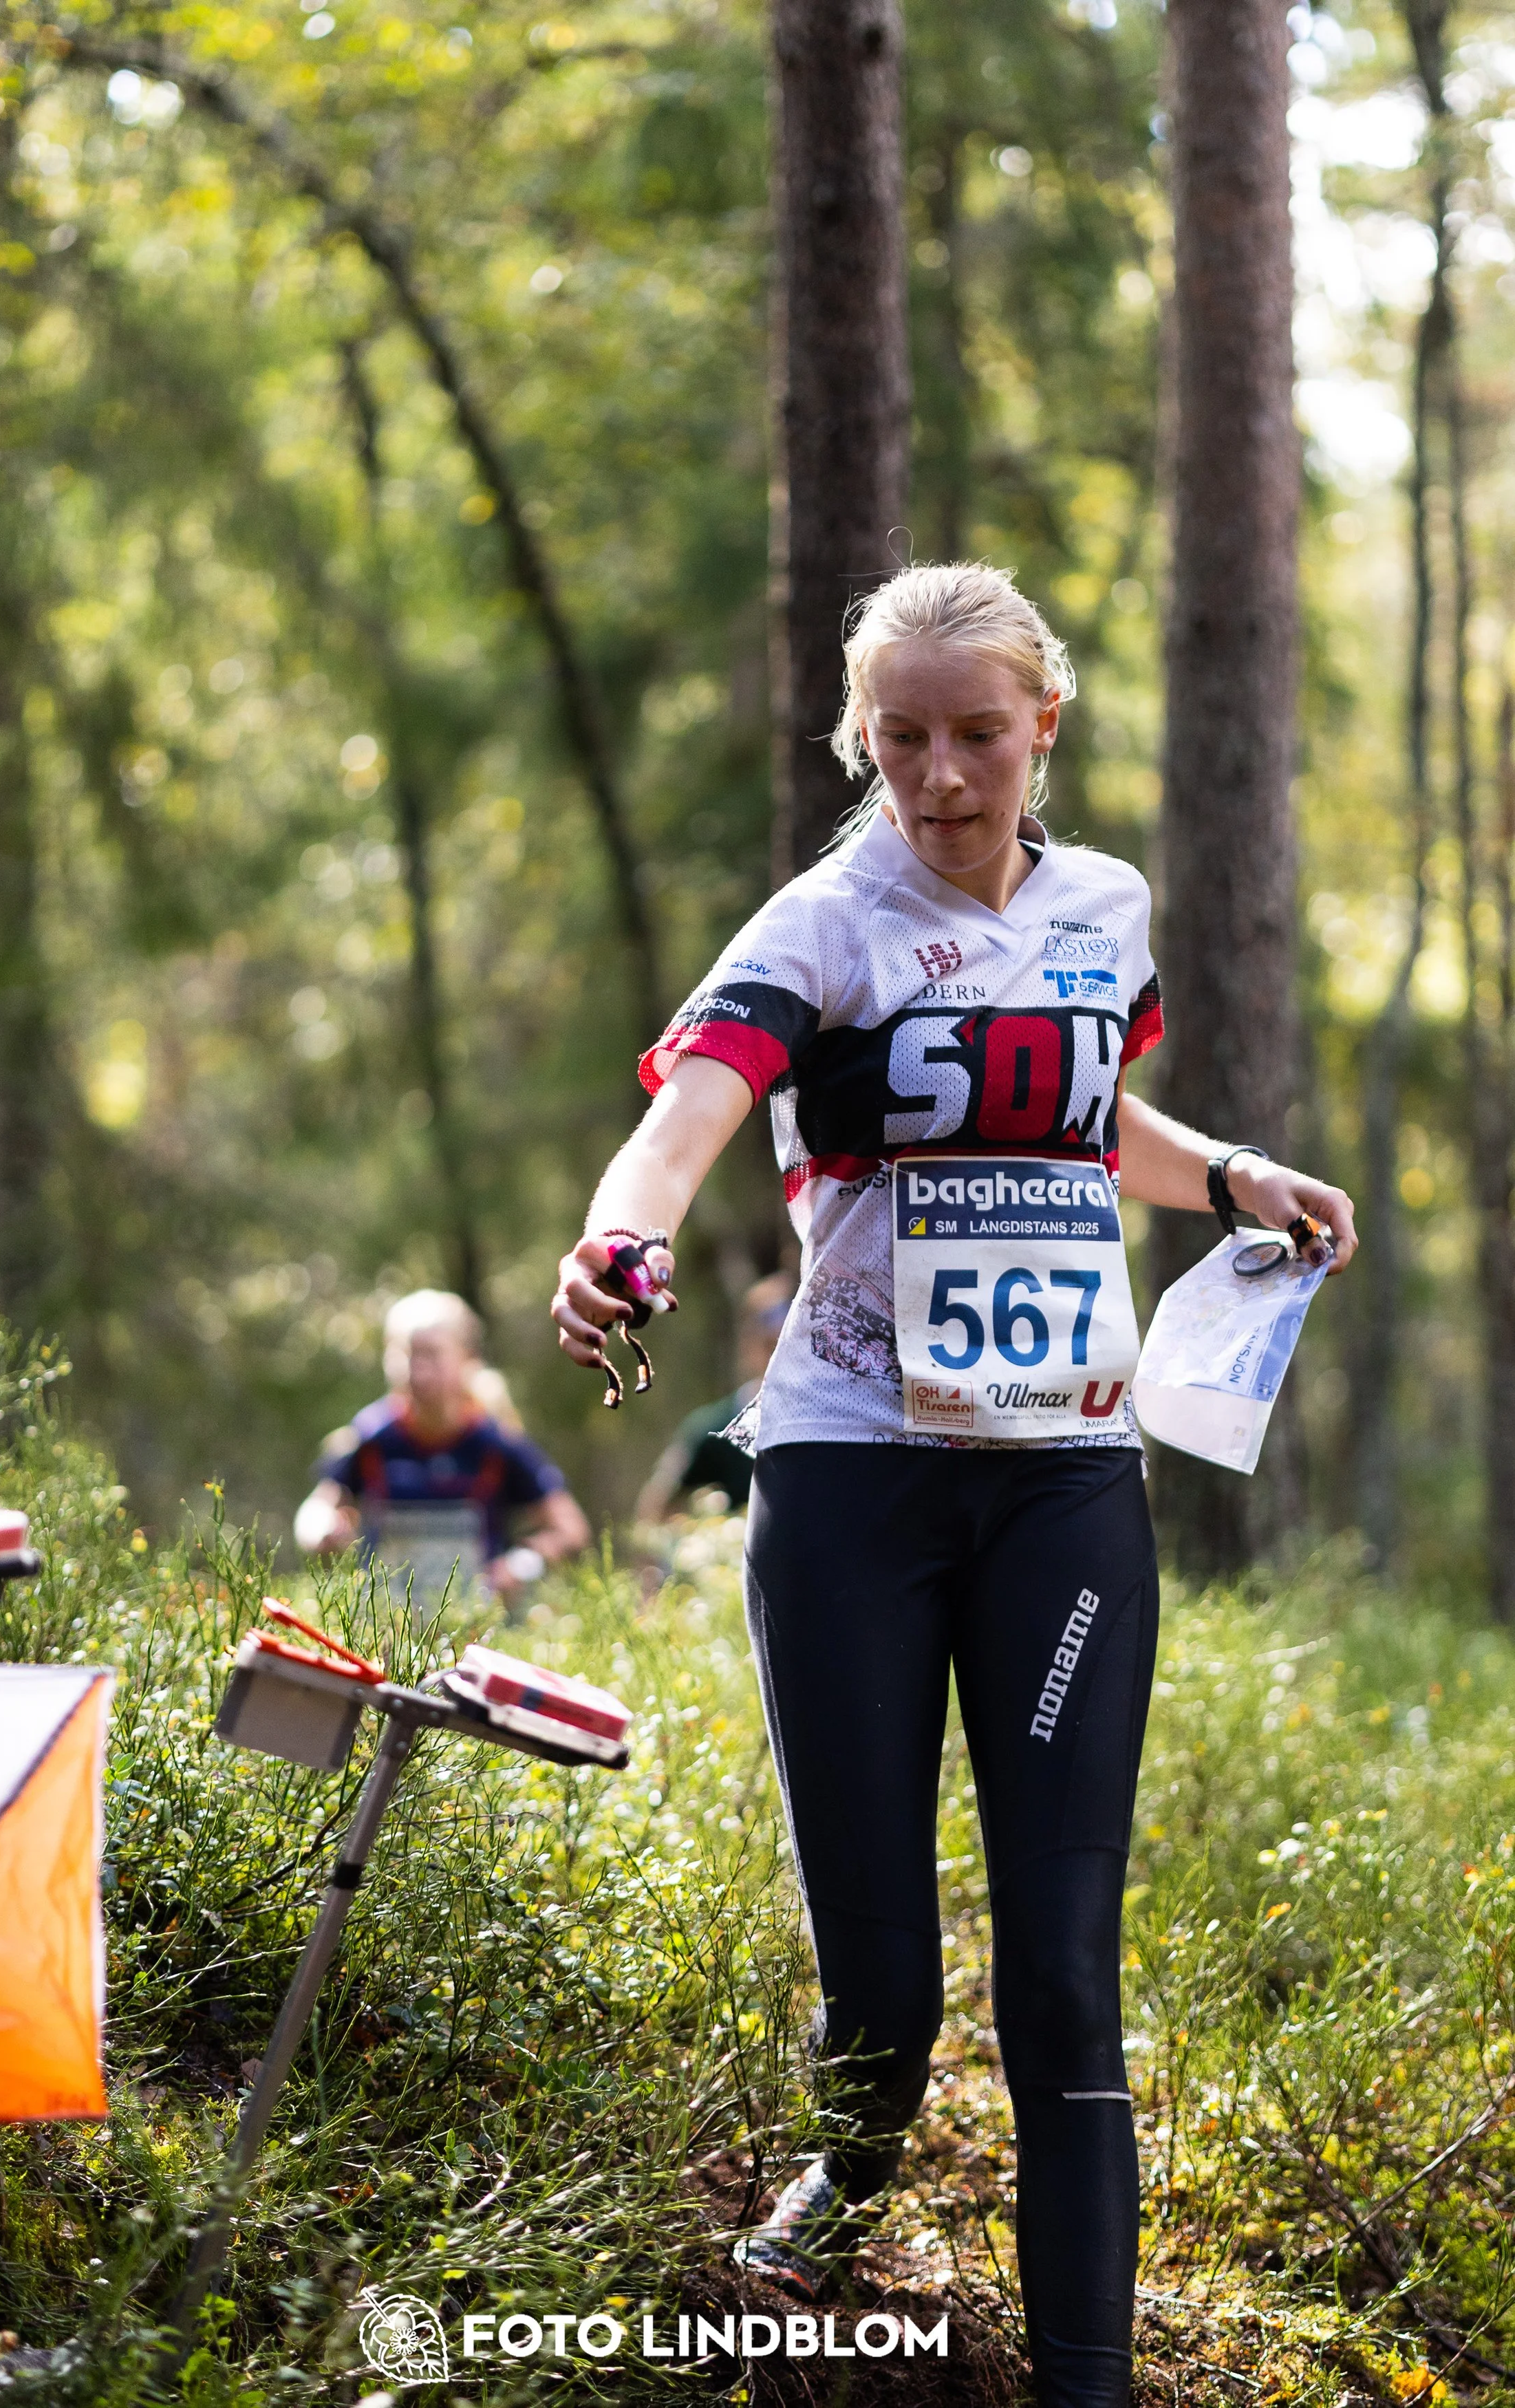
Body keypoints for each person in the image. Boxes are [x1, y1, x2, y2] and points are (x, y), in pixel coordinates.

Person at [550, 562, 1355, 2408]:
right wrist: (618, 1235)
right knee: (886, 1991)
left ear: (1040, 727)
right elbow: (689, 1109)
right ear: (860, 735)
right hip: (848, 1487)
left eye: (972, 734)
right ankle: (839, 2190)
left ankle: (1086, 2381)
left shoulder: (1103, 907)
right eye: (896, 737)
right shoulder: (823, 923)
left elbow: (1083, 1112)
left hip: (1062, 1483)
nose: (934, 773)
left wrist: (1234, 1177)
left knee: (1064, 1983)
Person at [296, 1289, 589, 1604]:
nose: (417, 1369)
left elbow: (571, 1530)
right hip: (385, 1626)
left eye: (432, 1354)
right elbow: (315, 1511)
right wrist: (322, 1529)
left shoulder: (497, 1443)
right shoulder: (370, 1436)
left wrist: (522, 1565)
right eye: (406, 1354)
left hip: (477, 1624)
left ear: (468, 1358)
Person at [635, 1271, 795, 1520]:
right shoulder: (713, 1431)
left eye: (788, 1347)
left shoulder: (838, 1426)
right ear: (747, 1346)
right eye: (770, 1346)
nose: (777, 1359)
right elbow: (656, 1509)